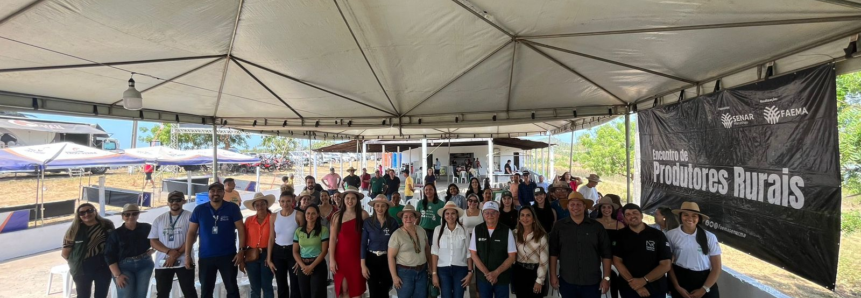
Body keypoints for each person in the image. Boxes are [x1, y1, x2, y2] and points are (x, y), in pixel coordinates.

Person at [185, 182, 245, 298]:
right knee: (206, 290)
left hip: (228, 256)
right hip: (206, 257)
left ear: (223, 193)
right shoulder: (199, 210)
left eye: (219, 191)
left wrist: (241, 250)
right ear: (208, 193)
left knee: (232, 288)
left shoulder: (232, 208)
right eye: (212, 191)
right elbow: (191, 233)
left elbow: (241, 230)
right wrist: (187, 255)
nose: (215, 193)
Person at [548, 191, 610, 298]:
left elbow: (606, 254)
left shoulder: (597, 227)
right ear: (567, 206)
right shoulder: (559, 226)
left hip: (592, 282)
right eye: (572, 204)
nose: (575, 207)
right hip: (567, 281)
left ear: (584, 206)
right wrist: (553, 275)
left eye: (578, 204)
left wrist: (606, 278)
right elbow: (553, 253)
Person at [613, 204, 672, 298]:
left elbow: (666, 264)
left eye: (635, 213)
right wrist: (635, 284)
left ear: (641, 215)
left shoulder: (657, 235)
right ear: (624, 218)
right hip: (630, 288)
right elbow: (617, 260)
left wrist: (643, 280)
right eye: (628, 214)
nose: (632, 216)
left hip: (655, 288)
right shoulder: (620, 235)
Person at [667, 202, 722, 298]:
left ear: (699, 218)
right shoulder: (671, 235)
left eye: (694, 216)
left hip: (704, 281)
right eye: (686, 215)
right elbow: (668, 264)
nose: (690, 218)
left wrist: (703, 289)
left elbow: (717, 268)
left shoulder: (709, 237)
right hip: (680, 279)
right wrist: (677, 287)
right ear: (680, 216)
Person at [149, 191, 197, 298]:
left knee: (189, 292)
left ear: (183, 201)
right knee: (162, 293)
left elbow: (193, 237)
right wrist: (170, 252)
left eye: (178, 200)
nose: (174, 202)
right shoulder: (159, 219)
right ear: (168, 203)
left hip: (185, 261)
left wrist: (177, 253)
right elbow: (153, 241)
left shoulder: (190, 216)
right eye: (171, 200)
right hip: (163, 263)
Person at [63, 203, 115, 298]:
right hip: (82, 267)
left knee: (101, 295)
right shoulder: (74, 230)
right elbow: (65, 253)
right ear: (78, 216)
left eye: (89, 210)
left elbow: (114, 243)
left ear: (95, 211)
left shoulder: (107, 225)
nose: (86, 214)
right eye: (82, 213)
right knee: (83, 295)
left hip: (104, 265)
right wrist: (76, 263)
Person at [105, 204, 154, 298]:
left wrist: (153, 250)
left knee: (141, 295)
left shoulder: (146, 228)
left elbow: (158, 239)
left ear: (138, 215)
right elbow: (109, 255)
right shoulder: (116, 233)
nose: (131, 216)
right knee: (126, 295)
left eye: (134, 214)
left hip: (145, 265)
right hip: (124, 267)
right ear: (123, 216)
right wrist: (117, 275)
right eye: (127, 214)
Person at [469, 201, 517, 298]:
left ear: (498, 214)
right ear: (483, 214)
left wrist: (496, 273)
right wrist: (487, 274)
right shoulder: (477, 230)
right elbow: (473, 254)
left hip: (502, 278)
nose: (490, 215)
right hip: (483, 278)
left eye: (493, 212)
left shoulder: (507, 230)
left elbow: (512, 257)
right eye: (487, 212)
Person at [330, 186, 370, 298]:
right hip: (341, 257)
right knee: (343, 289)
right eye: (347, 198)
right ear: (343, 199)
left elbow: (369, 236)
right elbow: (332, 239)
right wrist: (332, 259)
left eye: (353, 198)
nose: (350, 201)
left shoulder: (363, 215)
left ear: (357, 200)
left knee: (356, 289)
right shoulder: (337, 216)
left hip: (358, 258)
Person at [388, 204, 432, 298]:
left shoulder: (421, 230)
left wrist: (431, 266)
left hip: (422, 271)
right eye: (406, 216)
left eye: (411, 216)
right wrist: (394, 277)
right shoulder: (397, 234)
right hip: (405, 273)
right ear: (402, 218)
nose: (408, 219)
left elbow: (427, 249)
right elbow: (391, 256)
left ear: (415, 218)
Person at [431, 202, 473, 298]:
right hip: (443, 270)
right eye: (447, 213)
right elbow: (435, 252)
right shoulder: (438, 230)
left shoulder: (464, 229)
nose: (450, 216)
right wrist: (434, 273)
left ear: (457, 215)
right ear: (444, 215)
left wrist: (470, 272)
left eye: (453, 213)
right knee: (446, 296)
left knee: (458, 296)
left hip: (461, 269)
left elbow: (469, 253)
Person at [267, 191, 304, 298]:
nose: (285, 204)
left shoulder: (299, 215)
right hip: (278, 252)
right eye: (283, 201)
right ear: (279, 202)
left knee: (295, 283)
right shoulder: (273, 216)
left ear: (293, 201)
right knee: (281, 284)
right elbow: (271, 238)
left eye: (288, 201)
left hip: (294, 251)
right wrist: (269, 259)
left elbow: (303, 238)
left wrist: (300, 258)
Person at [362, 195, 400, 298]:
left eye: (383, 206)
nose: (380, 208)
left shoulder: (392, 222)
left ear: (387, 207)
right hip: (372, 259)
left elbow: (397, 244)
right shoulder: (368, 222)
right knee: (373, 290)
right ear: (374, 207)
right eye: (377, 206)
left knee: (385, 289)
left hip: (387, 259)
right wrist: (363, 265)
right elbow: (363, 244)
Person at [243, 193, 276, 298]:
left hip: (268, 254)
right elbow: (244, 239)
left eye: (262, 204)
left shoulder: (273, 218)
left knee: (267, 286)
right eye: (257, 205)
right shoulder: (249, 220)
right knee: (254, 287)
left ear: (267, 205)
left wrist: (270, 257)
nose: (260, 206)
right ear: (254, 207)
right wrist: (242, 256)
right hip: (251, 254)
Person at [293, 205, 330, 298]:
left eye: (313, 213)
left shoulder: (323, 230)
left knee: (317, 294)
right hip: (303, 266)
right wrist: (303, 266)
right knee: (304, 294)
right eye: (308, 213)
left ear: (318, 215)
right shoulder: (298, 231)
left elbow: (324, 251)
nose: (310, 216)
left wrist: (311, 266)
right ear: (304, 215)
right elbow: (295, 251)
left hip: (318, 265)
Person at [512, 207, 549, 298]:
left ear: (533, 219)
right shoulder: (514, 234)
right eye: (522, 215)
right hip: (519, 273)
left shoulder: (541, 236)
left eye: (528, 215)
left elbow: (544, 261)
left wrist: (539, 280)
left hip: (535, 273)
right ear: (519, 219)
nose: (525, 218)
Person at [595, 196, 624, 298]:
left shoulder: (619, 225)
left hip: (614, 259)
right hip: (597, 258)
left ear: (613, 209)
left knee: (614, 284)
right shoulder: (594, 223)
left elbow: (623, 244)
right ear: (600, 209)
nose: (606, 210)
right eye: (603, 207)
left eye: (609, 207)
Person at [460, 193, 483, 298]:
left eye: (475, 201)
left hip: (480, 242)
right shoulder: (463, 213)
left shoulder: (482, 213)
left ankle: (480, 293)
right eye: (470, 200)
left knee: (479, 267)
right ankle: (472, 294)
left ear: (478, 203)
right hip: (466, 242)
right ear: (467, 201)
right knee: (469, 268)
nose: (472, 203)